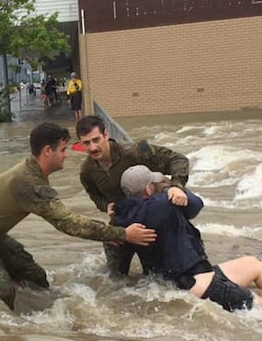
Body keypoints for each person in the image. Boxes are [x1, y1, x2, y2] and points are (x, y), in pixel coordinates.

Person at [0, 123, 157, 311]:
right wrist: (123, 234)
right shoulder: (28, 182)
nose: (66, 155)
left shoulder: (33, 173)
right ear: (48, 151)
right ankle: (10, 335)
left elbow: (68, 218)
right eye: (63, 150)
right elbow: (68, 223)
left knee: (35, 276)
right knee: (4, 287)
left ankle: (46, 317)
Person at [112, 165, 262, 311]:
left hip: (182, 283)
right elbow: (196, 205)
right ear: (149, 189)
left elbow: (118, 262)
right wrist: (174, 188)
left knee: (252, 264)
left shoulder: (119, 221)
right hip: (197, 284)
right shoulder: (163, 204)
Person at [76, 115, 190, 277]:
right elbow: (94, 194)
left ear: (106, 135)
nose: (93, 147)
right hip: (122, 226)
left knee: (158, 281)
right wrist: (106, 205)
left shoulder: (136, 151)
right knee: (114, 281)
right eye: (86, 143)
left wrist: (177, 186)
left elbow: (177, 159)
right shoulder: (87, 170)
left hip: (152, 223)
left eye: (96, 140)